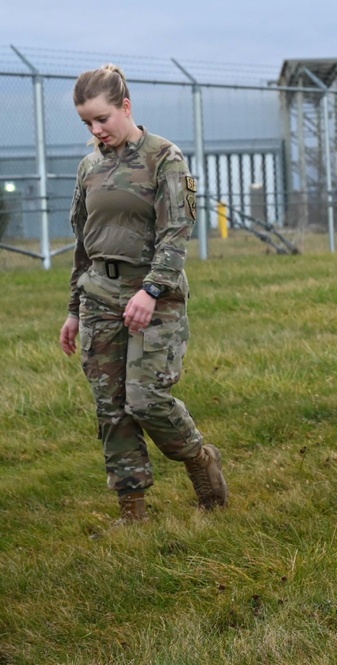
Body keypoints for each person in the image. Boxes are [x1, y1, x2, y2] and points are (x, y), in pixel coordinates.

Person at [59, 65, 228, 524]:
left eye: (102, 119)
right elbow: (82, 242)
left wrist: (151, 290)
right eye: (87, 124)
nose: (96, 131)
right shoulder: (89, 165)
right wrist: (74, 309)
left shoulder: (163, 157)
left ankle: (199, 459)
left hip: (155, 295)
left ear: (125, 107)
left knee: (146, 399)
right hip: (99, 294)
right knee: (110, 407)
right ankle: (132, 512)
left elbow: (176, 233)